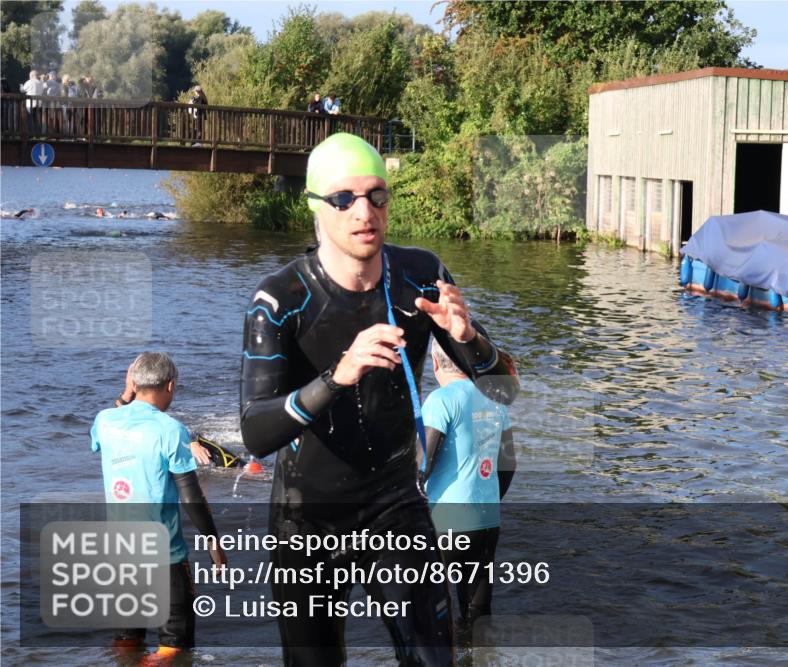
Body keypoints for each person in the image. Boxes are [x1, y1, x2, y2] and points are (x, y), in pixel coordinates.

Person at [240, 132, 519, 666]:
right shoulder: (280, 299)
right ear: (316, 208)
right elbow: (255, 431)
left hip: (396, 506)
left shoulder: (420, 273)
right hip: (308, 519)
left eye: (377, 196)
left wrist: (468, 341)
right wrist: (337, 377)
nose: (363, 211)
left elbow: (503, 390)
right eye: (344, 199)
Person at [93, 352, 226, 665]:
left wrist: (126, 393)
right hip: (164, 554)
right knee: (174, 645)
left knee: (126, 640)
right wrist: (214, 542)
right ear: (170, 386)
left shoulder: (105, 421)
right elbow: (191, 495)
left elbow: (115, 419)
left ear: (134, 383)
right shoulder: (171, 429)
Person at [420, 340, 516, 625]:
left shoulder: (441, 400)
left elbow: (422, 464)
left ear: (435, 364)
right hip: (487, 519)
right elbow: (508, 465)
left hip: (446, 520)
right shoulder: (494, 400)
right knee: (478, 610)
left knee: (431, 606)